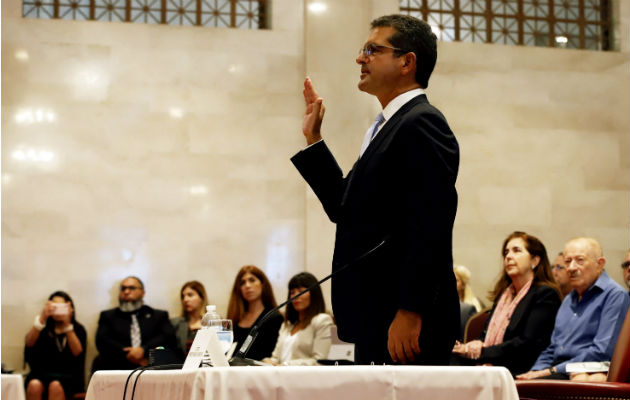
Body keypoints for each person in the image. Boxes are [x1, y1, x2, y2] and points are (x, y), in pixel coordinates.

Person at [291, 14, 459, 365]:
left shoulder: (422, 123)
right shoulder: (386, 127)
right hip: (375, 317)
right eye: (362, 49)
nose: (359, 58)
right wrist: (314, 140)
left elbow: (431, 223)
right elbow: (344, 207)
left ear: (406, 62)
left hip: (405, 321)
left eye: (372, 49)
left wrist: (411, 310)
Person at [517, 237, 630, 380]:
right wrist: (535, 371)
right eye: (568, 261)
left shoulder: (615, 295)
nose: (571, 268)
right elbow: (553, 348)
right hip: (558, 369)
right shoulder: (569, 299)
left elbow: (602, 351)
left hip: (586, 370)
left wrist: (550, 371)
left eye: (580, 260)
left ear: (600, 264)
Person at [452, 231, 562, 375]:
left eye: (516, 251)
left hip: (521, 368)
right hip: (494, 362)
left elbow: (527, 344)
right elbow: (485, 336)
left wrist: (480, 351)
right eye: (506, 252)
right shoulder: (504, 295)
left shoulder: (545, 294)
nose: (508, 256)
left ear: (535, 260)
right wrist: (475, 344)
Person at [94, 276, 177, 370]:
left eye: (132, 288)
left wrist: (143, 350)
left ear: (143, 292)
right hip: (116, 366)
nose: (126, 292)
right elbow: (102, 341)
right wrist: (130, 355)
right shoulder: (108, 316)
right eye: (123, 289)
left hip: (152, 367)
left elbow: (169, 339)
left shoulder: (158, 316)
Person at [24, 291, 87, 400]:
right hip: (41, 374)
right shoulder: (42, 328)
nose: (58, 310)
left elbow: (78, 352)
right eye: (54, 306)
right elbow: (29, 343)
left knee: (55, 386)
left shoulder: (78, 329)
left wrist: (67, 324)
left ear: (70, 308)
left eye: (61, 307)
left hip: (67, 377)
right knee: (34, 385)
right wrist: (41, 319)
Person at [263, 272, 333, 366]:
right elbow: (276, 358)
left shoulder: (322, 320)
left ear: (314, 294)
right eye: (292, 293)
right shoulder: (287, 325)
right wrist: (267, 362)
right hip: (280, 377)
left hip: (304, 378)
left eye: (301, 291)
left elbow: (320, 360)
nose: (295, 296)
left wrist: (287, 365)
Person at [227, 265, 283, 360]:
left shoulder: (274, 317)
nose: (247, 286)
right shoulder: (235, 320)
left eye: (252, 280)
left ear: (262, 284)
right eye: (242, 283)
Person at [170, 281, 208, 356]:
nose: (185, 300)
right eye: (183, 296)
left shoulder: (214, 322)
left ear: (201, 297)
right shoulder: (175, 324)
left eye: (190, 295)